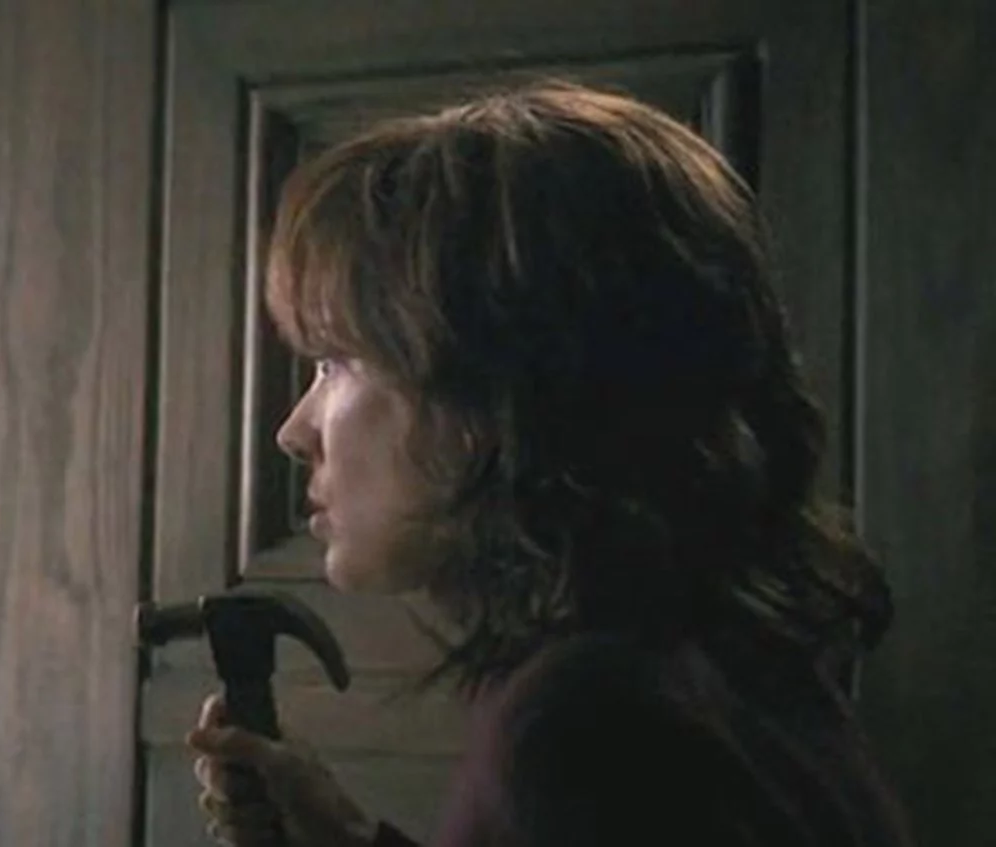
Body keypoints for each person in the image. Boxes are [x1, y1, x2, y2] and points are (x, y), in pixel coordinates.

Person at [185, 82, 912, 846]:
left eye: (337, 360)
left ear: (498, 389)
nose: (293, 430)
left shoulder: (579, 730)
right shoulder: (729, 663)